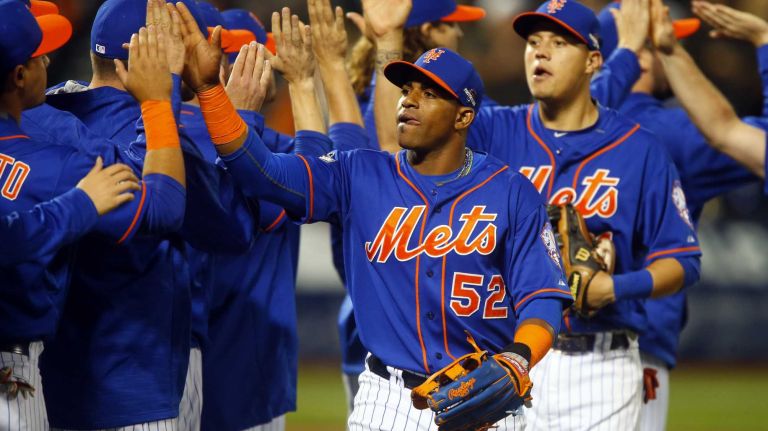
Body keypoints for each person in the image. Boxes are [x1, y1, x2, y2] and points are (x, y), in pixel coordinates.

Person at [174, 5, 575, 429]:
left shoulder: (511, 192)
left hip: (486, 399)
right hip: (388, 398)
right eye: (408, 89)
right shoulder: (358, 172)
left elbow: (543, 295)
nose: (410, 100)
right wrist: (210, 92)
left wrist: (519, 357)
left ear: (464, 116)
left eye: (430, 93)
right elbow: (263, 174)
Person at [435, 1, 702, 429]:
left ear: (593, 61)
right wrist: (388, 44)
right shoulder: (493, 132)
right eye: (534, 42)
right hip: (507, 356)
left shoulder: (640, 148)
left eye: (559, 43)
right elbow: (401, 145)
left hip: (602, 364)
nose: (540, 52)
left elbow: (683, 260)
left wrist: (613, 288)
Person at [0, 0, 186, 428]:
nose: (47, 58)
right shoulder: (58, 164)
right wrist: (160, 100)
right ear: (19, 75)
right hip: (13, 377)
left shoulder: (56, 129)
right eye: (37, 55)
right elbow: (163, 206)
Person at [597, 3, 759, 429]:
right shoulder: (669, 133)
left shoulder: (541, 128)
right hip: (634, 351)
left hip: (546, 350)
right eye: (670, 43)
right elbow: (744, 139)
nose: (679, 47)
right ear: (644, 54)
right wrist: (764, 45)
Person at [647, 0, 768, 191]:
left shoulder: (595, 124)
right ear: (640, 59)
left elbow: (725, 130)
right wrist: (764, 40)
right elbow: (731, 133)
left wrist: (670, 51)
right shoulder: (673, 130)